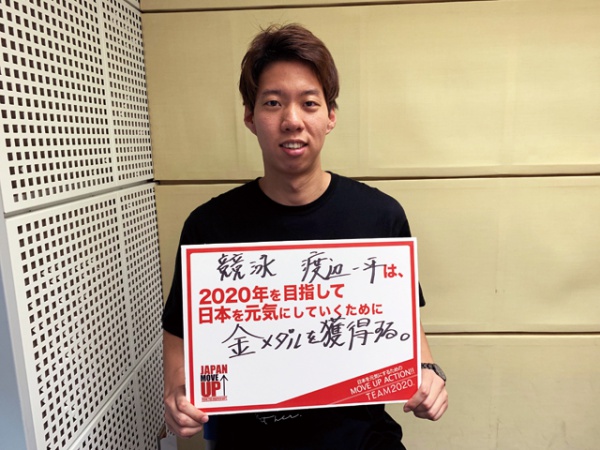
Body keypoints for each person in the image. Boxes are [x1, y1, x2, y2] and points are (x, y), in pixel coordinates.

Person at [162, 23, 448, 449]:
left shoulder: (379, 216)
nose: (292, 120)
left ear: (330, 116)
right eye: (273, 103)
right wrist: (178, 393)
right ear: (250, 117)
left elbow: (401, 322)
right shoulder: (210, 226)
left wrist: (428, 372)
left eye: (309, 103)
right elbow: (179, 330)